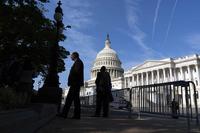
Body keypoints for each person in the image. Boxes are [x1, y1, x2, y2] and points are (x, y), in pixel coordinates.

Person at [60, 52, 84, 119]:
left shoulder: (78, 62)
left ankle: (65, 114)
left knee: (69, 99)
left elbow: (75, 73)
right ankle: (76, 115)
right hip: (75, 83)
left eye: (71, 56)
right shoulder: (78, 62)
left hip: (75, 84)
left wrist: (71, 81)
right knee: (75, 100)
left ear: (74, 56)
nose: (70, 57)